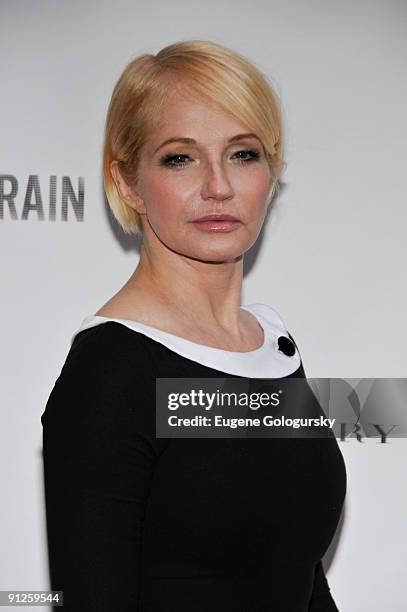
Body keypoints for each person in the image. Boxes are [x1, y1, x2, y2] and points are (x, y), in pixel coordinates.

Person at [41, 39, 347, 611]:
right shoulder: (110, 374)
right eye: (180, 157)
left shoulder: (271, 345)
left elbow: (299, 574)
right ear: (128, 182)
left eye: (243, 154)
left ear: (272, 172)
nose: (218, 187)